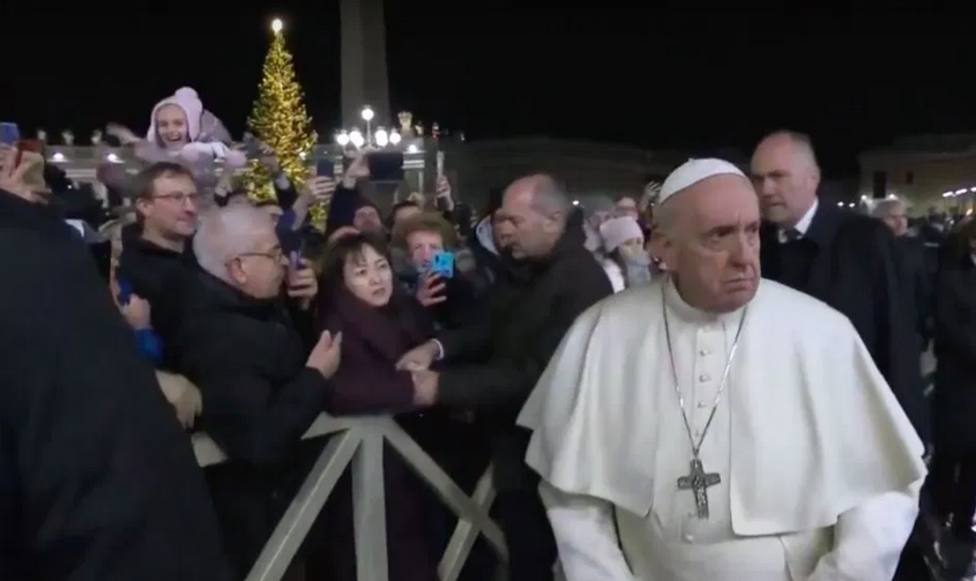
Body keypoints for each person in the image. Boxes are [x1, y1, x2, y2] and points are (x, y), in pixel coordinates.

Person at [519, 158, 926, 581]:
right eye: (719, 236)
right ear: (663, 247)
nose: (744, 257)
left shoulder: (821, 332)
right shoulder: (604, 332)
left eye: (752, 231)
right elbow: (572, 495)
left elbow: (884, 488)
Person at [0, 144, 228, 580]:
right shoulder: (43, 257)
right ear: (143, 207)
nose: (188, 206)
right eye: (174, 197)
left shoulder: (195, 267)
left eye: (191, 196)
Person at [397, 174, 613, 581]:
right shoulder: (527, 269)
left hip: (554, 463)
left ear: (552, 220)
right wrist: (437, 347)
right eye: (500, 220)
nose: (504, 230)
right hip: (516, 452)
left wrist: (441, 386)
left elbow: (540, 375)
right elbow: (488, 324)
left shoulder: (580, 282)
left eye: (515, 220)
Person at [177, 205, 341, 578]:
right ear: (238, 267)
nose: (284, 262)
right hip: (258, 529)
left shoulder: (246, 306)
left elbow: (278, 364)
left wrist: (301, 310)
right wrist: (316, 375)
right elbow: (260, 441)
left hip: (280, 516)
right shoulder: (222, 338)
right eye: (273, 253)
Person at [751, 130, 928, 439]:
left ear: (812, 178)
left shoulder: (866, 240)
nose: (766, 189)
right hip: (780, 422)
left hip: (853, 423)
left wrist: (909, 433)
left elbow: (897, 338)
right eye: (758, 179)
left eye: (777, 176)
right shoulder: (755, 244)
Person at [315, 233, 436, 581]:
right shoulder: (335, 324)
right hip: (367, 463)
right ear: (341, 281)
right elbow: (337, 390)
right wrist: (412, 387)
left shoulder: (404, 311)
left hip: (410, 454)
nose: (376, 278)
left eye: (381, 266)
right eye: (361, 272)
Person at [924, 219, 976, 578]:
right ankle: (937, 518)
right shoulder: (952, 277)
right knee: (950, 453)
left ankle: (962, 521)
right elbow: (949, 327)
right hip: (958, 384)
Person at [874, 199, 933, 353]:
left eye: (904, 217)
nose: (900, 223)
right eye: (893, 218)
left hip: (909, 327)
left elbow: (923, 289)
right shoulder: (867, 251)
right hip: (877, 327)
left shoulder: (916, 249)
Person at [598, 216, 652, 292]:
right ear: (614, 249)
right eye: (628, 243)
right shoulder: (610, 273)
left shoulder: (651, 264)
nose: (635, 247)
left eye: (639, 242)